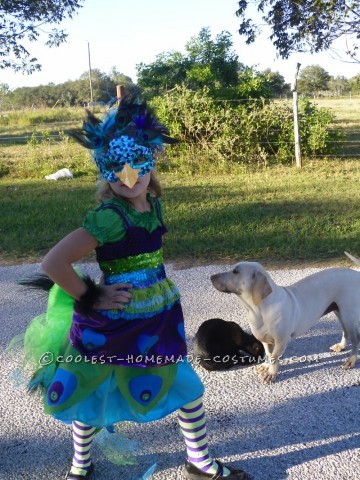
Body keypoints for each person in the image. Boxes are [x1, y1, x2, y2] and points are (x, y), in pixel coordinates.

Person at [24, 98, 251, 480]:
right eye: (115, 169)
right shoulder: (109, 219)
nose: (128, 177)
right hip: (114, 323)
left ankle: (199, 462)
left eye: (137, 165)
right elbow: (53, 263)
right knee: (91, 393)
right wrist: (93, 295)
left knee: (186, 388)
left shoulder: (154, 207)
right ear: (103, 172)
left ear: (152, 162)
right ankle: (81, 466)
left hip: (157, 318)